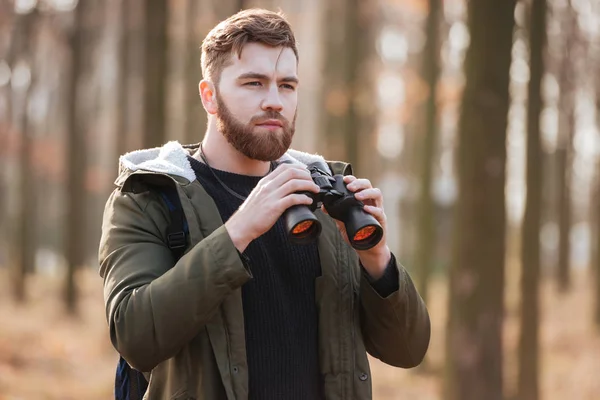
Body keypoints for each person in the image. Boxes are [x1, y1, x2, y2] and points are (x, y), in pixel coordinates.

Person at [99, 8, 430, 400]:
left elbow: (408, 350)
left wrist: (378, 260)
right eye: (254, 83)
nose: (274, 101)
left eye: (286, 86)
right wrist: (239, 231)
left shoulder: (324, 195)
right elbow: (135, 337)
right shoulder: (150, 195)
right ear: (209, 96)